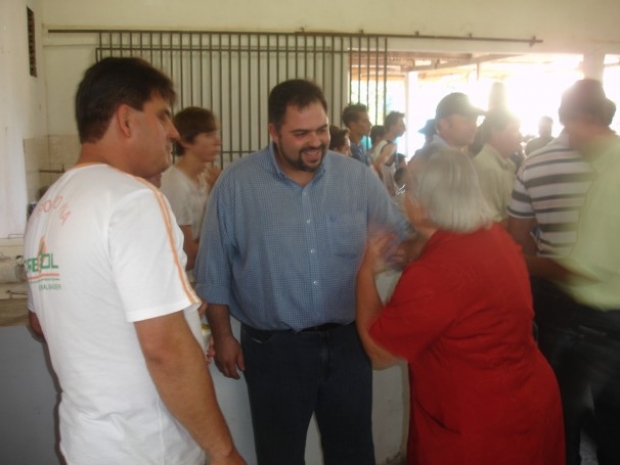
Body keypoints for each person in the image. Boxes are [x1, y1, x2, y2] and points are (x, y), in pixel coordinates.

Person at [23, 57, 245, 465]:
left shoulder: (50, 206)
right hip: (147, 446)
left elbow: (43, 321)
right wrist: (223, 450)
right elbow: (164, 347)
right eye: (162, 116)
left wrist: (186, 330)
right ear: (126, 120)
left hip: (88, 441)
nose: (173, 132)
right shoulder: (133, 200)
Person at [194, 78, 411, 465]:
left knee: (354, 452)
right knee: (280, 455)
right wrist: (223, 335)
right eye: (300, 134)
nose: (315, 142)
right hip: (274, 350)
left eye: (321, 130)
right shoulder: (237, 185)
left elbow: (399, 241)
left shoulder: (356, 178)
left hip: (348, 344)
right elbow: (213, 269)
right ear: (273, 132)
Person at [356, 148, 565, 465]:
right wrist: (413, 249)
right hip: (527, 397)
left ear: (422, 203)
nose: (402, 195)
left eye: (407, 187)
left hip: (478, 423)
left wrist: (365, 271)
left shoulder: (434, 273)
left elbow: (379, 351)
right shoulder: (492, 235)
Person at [525, 79, 620, 465]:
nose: (568, 138)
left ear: (585, 119)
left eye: (570, 127)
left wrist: (511, 260)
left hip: (597, 322)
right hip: (602, 321)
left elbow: (580, 268)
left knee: (564, 415)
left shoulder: (610, 179)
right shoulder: (604, 167)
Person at [160, 106, 222, 274]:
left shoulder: (205, 179)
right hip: (186, 280)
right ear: (186, 141)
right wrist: (217, 200)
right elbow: (189, 257)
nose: (218, 141)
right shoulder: (176, 185)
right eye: (209, 135)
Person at [473, 109, 521, 225]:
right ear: (494, 132)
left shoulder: (507, 164)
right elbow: (491, 223)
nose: (520, 135)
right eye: (514, 130)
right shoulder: (487, 168)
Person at [372, 111, 406, 195]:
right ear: (392, 127)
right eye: (401, 126)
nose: (405, 129)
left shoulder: (380, 144)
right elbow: (377, 165)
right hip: (388, 196)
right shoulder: (391, 146)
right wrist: (383, 187)